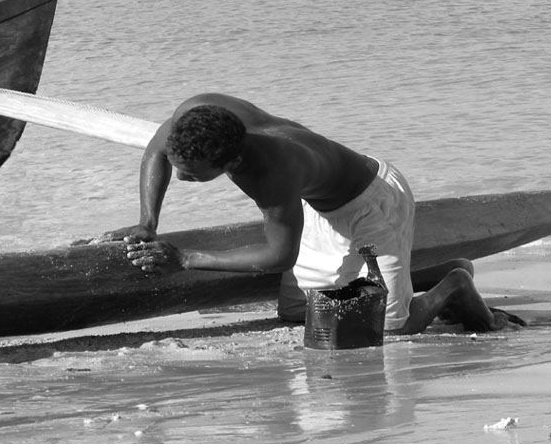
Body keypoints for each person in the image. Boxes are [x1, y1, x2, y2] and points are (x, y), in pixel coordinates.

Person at [96, 93, 524, 334]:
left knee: (389, 328)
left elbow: (279, 255)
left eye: (192, 175)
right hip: (317, 203)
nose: (182, 178)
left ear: (232, 163)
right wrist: (148, 222)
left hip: (373, 204)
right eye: (180, 168)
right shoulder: (199, 114)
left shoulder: (272, 174)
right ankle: (423, 273)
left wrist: (186, 259)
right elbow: (156, 150)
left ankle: (454, 282)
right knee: (301, 313)